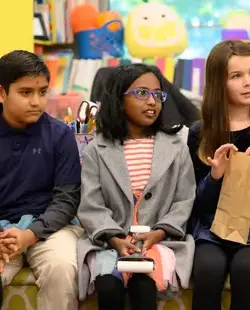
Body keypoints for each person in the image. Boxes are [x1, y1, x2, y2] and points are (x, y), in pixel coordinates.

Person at [77, 63, 196, 310]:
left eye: (157, 94)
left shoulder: (177, 148)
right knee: (108, 287)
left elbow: (184, 200)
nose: (152, 101)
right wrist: (115, 238)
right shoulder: (95, 150)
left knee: (144, 286)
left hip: (159, 241)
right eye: (142, 93)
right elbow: (91, 204)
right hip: (110, 241)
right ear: (118, 99)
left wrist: (159, 232)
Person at [0, 50, 83, 310]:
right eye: (26, 92)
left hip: (50, 229)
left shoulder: (60, 136)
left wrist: (29, 235)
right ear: (2, 93)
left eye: (43, 92)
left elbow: (66, 200)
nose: (36, 101)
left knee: (62, 267)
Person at [188, 40, 250, 310]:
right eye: (237, 76)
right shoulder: (200, 133)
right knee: (208, 270)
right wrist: (215, 176)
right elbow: (195, 203)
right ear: (218, 83)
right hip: (210, 231)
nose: (248, 82)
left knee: (246, 271)